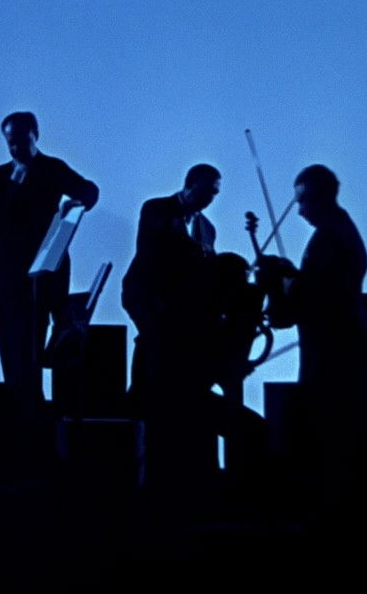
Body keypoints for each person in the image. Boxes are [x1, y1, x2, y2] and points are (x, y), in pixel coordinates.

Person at [256, 165, 367, 517]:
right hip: (339, 350)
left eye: (302, 201)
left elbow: (312, 298)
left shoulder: (329, 238)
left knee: (331, 437)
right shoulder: (341, 231)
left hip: (330, 357)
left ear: (318, 197)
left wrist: (280, 279)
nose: (299, 211)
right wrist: (291, 276)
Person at [0, 111, 98, 413]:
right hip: (8, 268)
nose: (16, 149)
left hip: (44, 264)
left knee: (41, 335)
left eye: (22, 141)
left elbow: (89, 190)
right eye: (11, 143)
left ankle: (47, 406)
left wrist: (75, 205)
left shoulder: (52, 168)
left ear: (35, 135)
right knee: (11, 335)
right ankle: (22, 404)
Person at [121, 164, 223, 511]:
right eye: (206, 192)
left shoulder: (206, 228)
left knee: (163, 364)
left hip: (176, 308)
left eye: (214, 195)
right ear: (191, 186)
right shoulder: (157, 210)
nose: (209, 200)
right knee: (154, 356)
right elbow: (154, 255)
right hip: (148, 297)